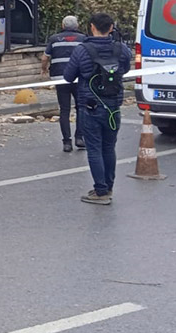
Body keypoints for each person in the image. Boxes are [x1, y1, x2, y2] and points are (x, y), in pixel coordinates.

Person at [63, 12, 133, 205]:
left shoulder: (82, 50)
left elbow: (68, 77)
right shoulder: (122, 49)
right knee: (109, 147)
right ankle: (109, 187)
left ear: (92, 26)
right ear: (111, 28)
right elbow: (125, 69)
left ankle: (100, 191)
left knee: (94, 149)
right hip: (114, 106)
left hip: (90, 106)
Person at [43, 15, 87, 153]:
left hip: (60, 78)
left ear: (62, 26)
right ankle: (79, 138)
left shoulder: (54, 39)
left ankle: (67, 143)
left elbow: (45, 57)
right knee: (81, 108)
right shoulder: (83, 39)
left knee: (65, 109)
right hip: (79, 78)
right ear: (77, 26)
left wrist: (43, 69)